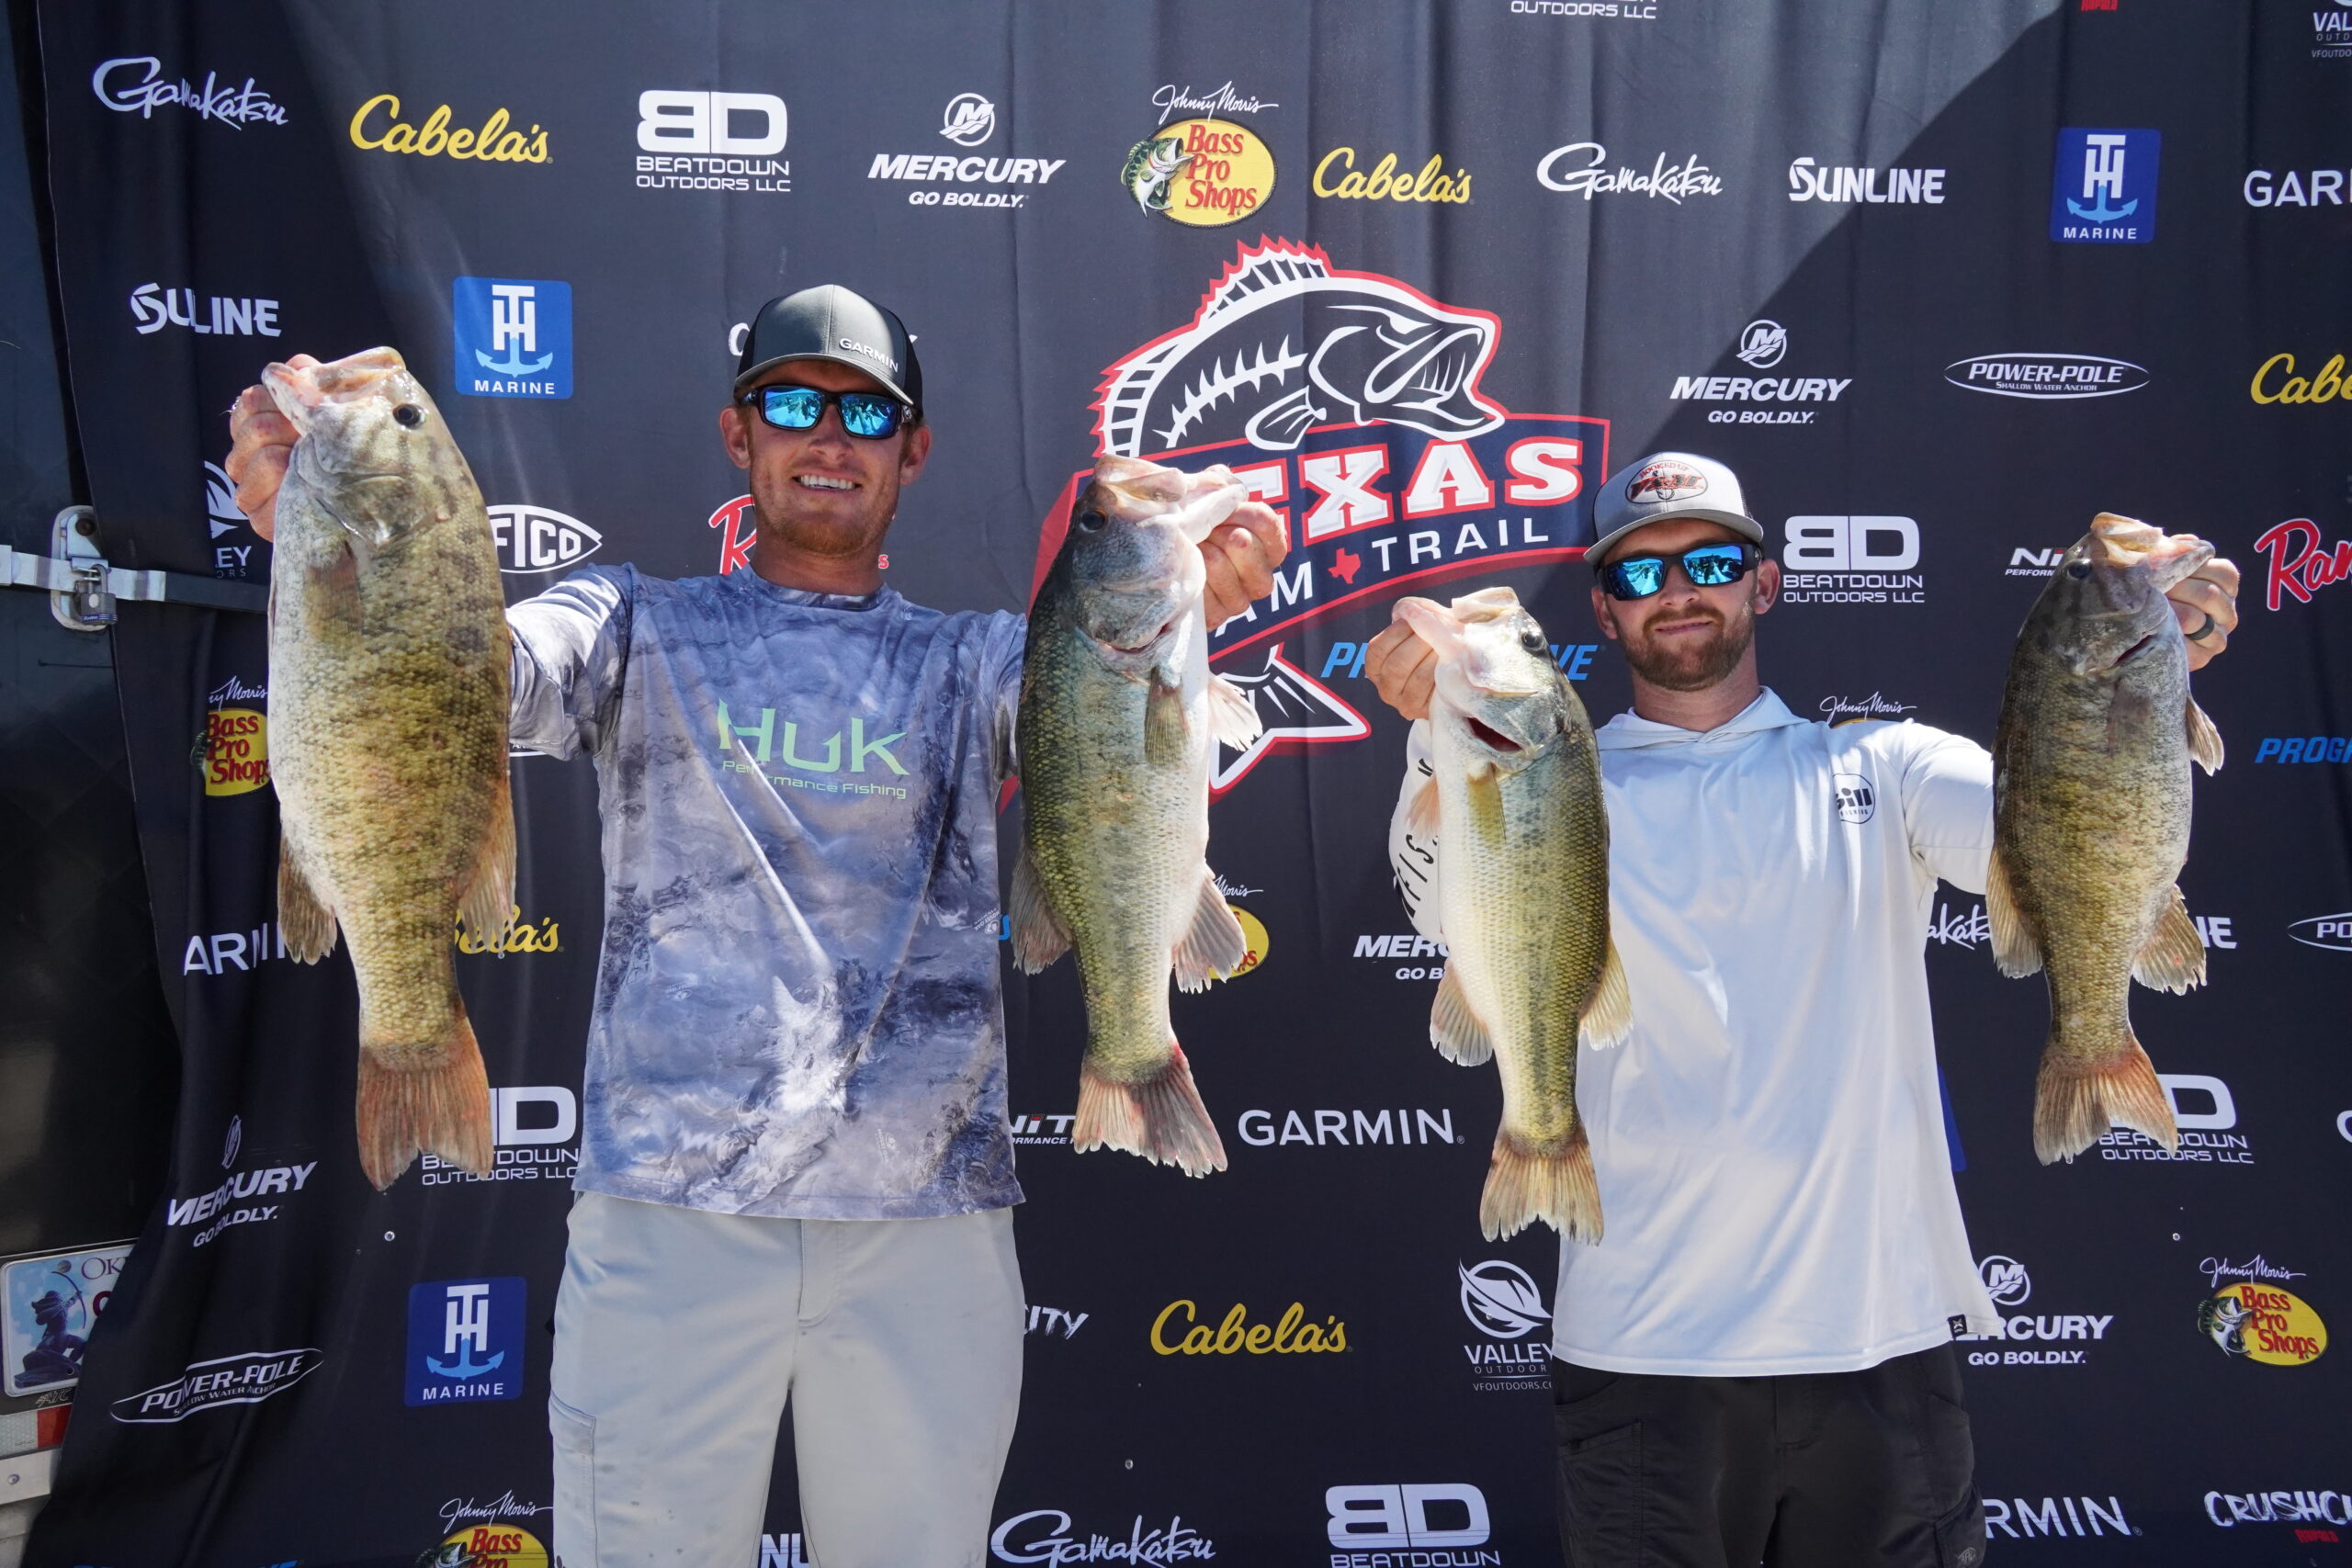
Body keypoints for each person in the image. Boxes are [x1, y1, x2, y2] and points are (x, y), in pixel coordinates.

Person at [223, 285, 1289, 1568]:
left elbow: (1109, 725)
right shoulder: (626, 621)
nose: (828, 438)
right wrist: (343, 538)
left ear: (914, 450)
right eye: (792, 404)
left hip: (929, 1228)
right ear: (740, 434)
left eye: (867, 414)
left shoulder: (983, 663)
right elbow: (463, 680)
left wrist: (1198, 599)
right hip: (665, 1222)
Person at [1364, 451, 2238, 1568]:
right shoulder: (1561, 779)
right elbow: (1435, 904)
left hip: (1877, 1344)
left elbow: (2056, 827)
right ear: (1603, 608)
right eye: (1639, 574)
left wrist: (2146, 681)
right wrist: (1430, 733)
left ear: (1763, 583)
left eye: (1710, 562)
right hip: (1640, 1348)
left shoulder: (1886, 763)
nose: (1677, 592)